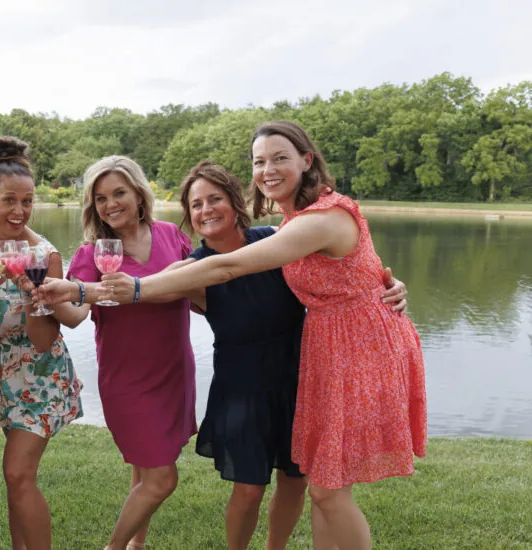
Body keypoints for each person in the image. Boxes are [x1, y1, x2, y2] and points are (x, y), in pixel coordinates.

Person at [96, 121, 427, 550]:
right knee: (324, 489)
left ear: (307, 161)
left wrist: (387, 291)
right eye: (259, 161)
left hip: (356, 352)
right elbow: (358, 268)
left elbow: (229, 267)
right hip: (316, 359)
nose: (267, 169)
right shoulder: (296, 222)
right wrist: (89, 289)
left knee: (323, 487)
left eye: (279, 158)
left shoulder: (315, 219)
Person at [180, 160, 406, 549]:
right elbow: (143, 287)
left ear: (235, 203)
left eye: (214, 199)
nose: (206, 210)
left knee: (296, 481)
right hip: (243, 388)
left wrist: (392, 288)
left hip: (301, 379)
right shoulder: (192, 271)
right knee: (248, 490)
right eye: (196, 204)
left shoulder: (279, 239)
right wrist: (89, 291)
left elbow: (351, 270)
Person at [36, 155, 195, 550]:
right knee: (162, 479)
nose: (111, 204)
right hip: (128, 380)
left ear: (139, 194)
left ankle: (136, 544)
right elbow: (74, 316)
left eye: (119, 193)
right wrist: (44, 294)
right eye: (101, 198)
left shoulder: (172, 236)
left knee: (145, 467)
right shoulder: (92, 253)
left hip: (175, 372)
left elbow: (199, 288)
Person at [0, 137, 83, 550]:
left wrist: (31, 292)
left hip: (42, 375)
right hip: (2, 374)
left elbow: (43, 340)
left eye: (28, 201)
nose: (19, 211)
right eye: (9, 200)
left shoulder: (44, 255)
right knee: (17, 480)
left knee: (18, 474)